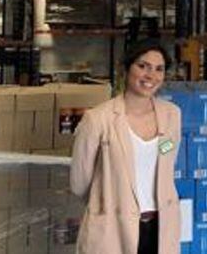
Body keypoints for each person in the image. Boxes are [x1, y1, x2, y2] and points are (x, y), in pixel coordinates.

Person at [70, 40, 182, 254]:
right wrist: (108, 201)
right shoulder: (98, 119)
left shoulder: (172, 115)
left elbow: (168, 160)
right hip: (113, 227)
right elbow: (79, 183)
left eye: (159, 69)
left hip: (160, 227)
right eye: (143, 66)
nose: (151, 76)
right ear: (126, 69)